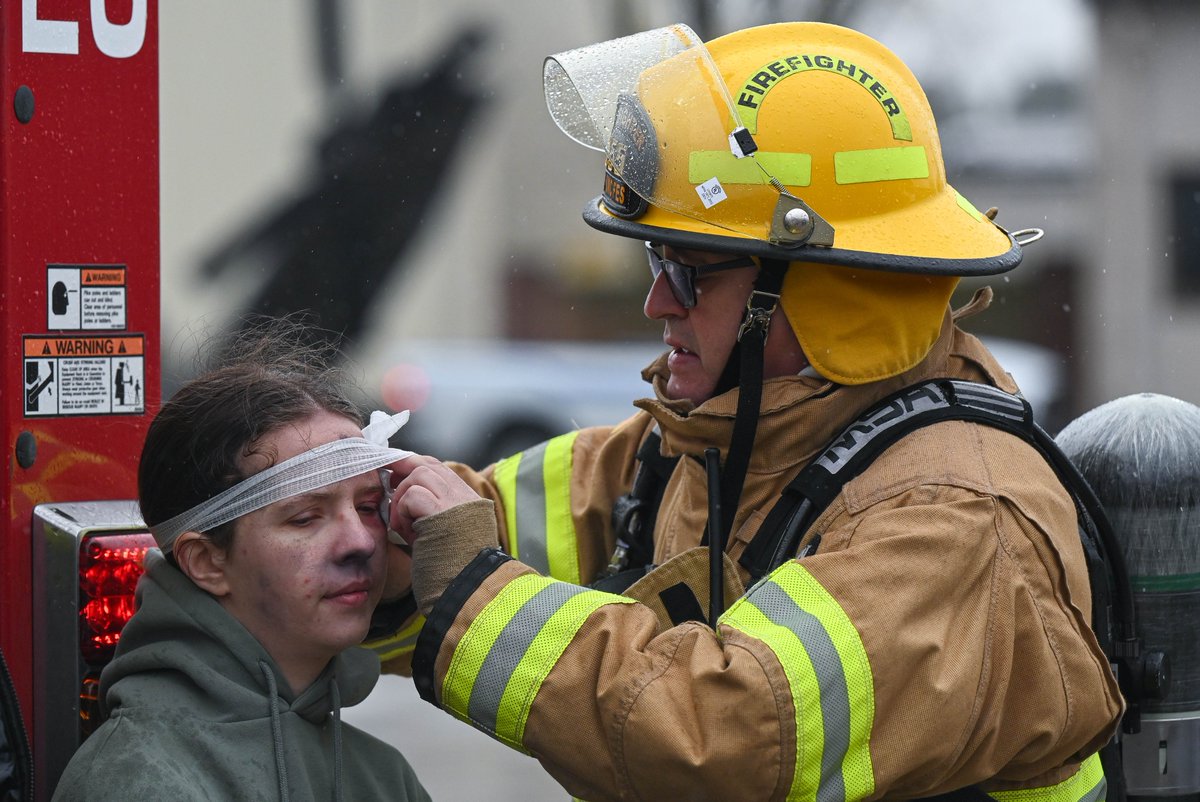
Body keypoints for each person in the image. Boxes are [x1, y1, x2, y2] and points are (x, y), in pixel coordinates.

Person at [380, 20, 1126, 802]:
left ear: (824, 292)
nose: (655, 301)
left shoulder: (957, 517)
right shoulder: (720, 437)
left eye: (689, 270)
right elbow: (492, 523)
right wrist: (359, 546)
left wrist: (475, 595)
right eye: (654, 258)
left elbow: (726, 739)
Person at [53, 320, 431, 802]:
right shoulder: (140, 781)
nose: (359, 542)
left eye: (365, 507)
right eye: (305, 518)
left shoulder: (383, 778)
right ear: (207, 562)